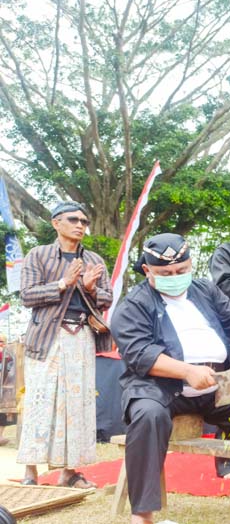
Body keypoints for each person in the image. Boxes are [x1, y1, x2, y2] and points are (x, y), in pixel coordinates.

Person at [112, 233, 230, 524]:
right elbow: (140, 352)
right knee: (147, 415)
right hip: (160, 385)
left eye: (181, 271)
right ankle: (142, 514)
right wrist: (187, 371)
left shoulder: (204, 289)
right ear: (147, 270)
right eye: (165, 273)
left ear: (191, 264)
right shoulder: (134, 304)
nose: (175, 277)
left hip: (217, 378)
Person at [17, 201, 113, 488]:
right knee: (39, 402)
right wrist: (63, 283)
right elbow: (27, 295)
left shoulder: (94, 260)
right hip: (46, 337)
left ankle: (70, 473)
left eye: (84, 221)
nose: (80, 225)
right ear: (56, 223)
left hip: (81, 335)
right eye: (73, 220)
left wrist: (90, 288)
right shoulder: (38, 255)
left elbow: (107, 299)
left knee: (77, 404)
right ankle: (30, 472)